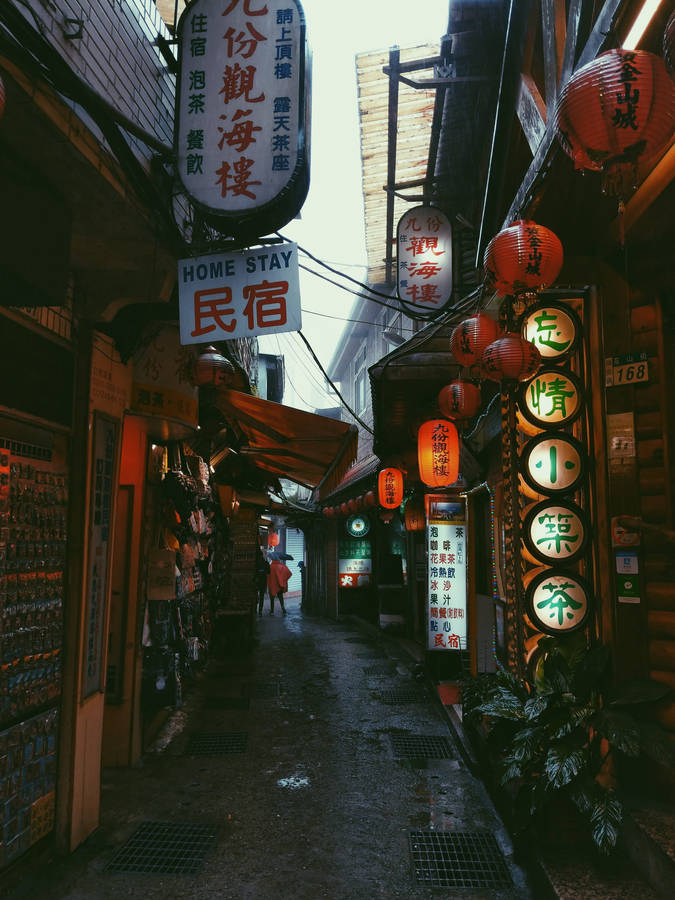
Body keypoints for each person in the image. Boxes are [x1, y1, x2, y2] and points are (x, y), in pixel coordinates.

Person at [255, 548, 270, 616]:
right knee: (261, 597)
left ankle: (255, 609)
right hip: (263, 582)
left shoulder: (255, 563)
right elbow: (269, 572)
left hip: (256, 581)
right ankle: (260, 611)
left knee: (255, 595)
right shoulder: (265, 563)